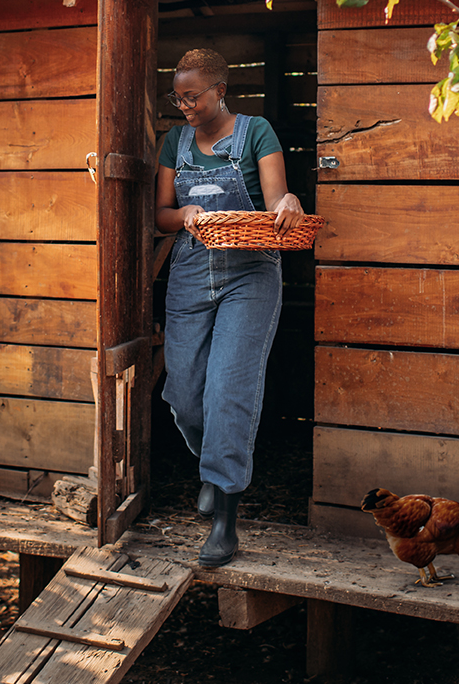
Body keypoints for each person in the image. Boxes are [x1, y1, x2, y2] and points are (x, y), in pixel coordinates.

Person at [154, 47, 304, 567]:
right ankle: (211, 465)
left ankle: (225, 516)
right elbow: (161, 215)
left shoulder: (256, 132)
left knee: (228, 391)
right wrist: (185, 213)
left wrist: (288, 203)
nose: (185, 105)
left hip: (250, 272)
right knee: (185, 395)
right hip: (192, 272)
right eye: (179, 96)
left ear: (221, 90)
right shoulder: (175, 141)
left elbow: (276, 203)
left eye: (193, 95)